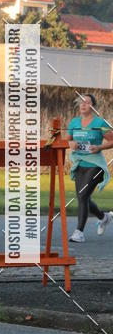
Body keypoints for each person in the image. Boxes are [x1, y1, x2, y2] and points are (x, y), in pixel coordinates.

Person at [67, 93, 113, 243]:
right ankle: (103, 217)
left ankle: (79, 232)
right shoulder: (74, 123)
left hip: (96, 165)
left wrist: (99, 146)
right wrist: (70, 144)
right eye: (81, 102)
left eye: (87, 102)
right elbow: (66, 140)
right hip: (80, 164)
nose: (83, 105)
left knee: (82, 195)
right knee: (83, 197)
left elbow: (112, 140)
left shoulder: (100, 122)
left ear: (92, 106)